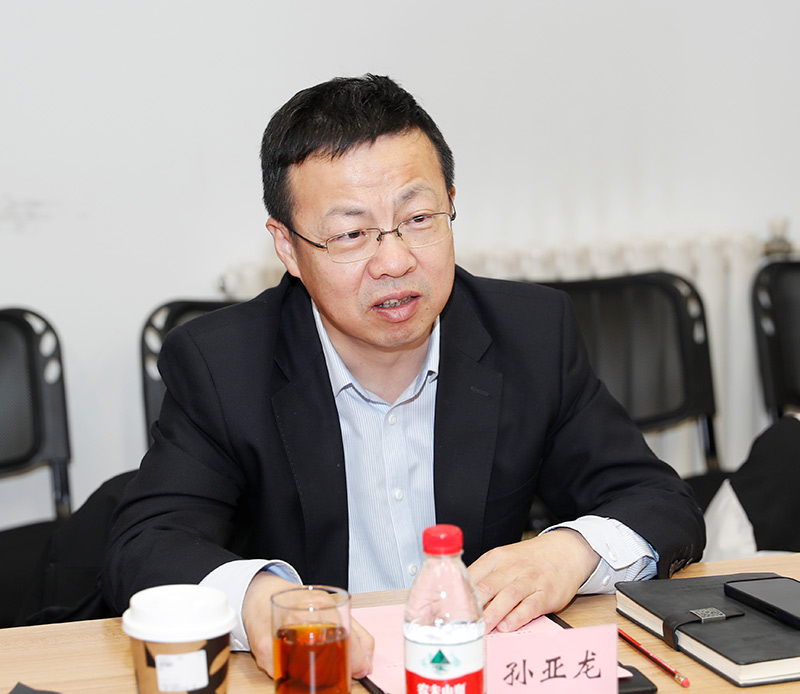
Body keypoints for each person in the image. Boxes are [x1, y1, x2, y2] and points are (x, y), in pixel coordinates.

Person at [102, 74, 704, 678]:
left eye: (419, 218)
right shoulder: (223, 365)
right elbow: (148, 544)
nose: (394, 261)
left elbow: (661, 503)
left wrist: (567, 553)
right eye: (350, 234)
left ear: (450, 204)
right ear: (287, 247)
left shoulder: (531, 335)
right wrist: (260, 601)